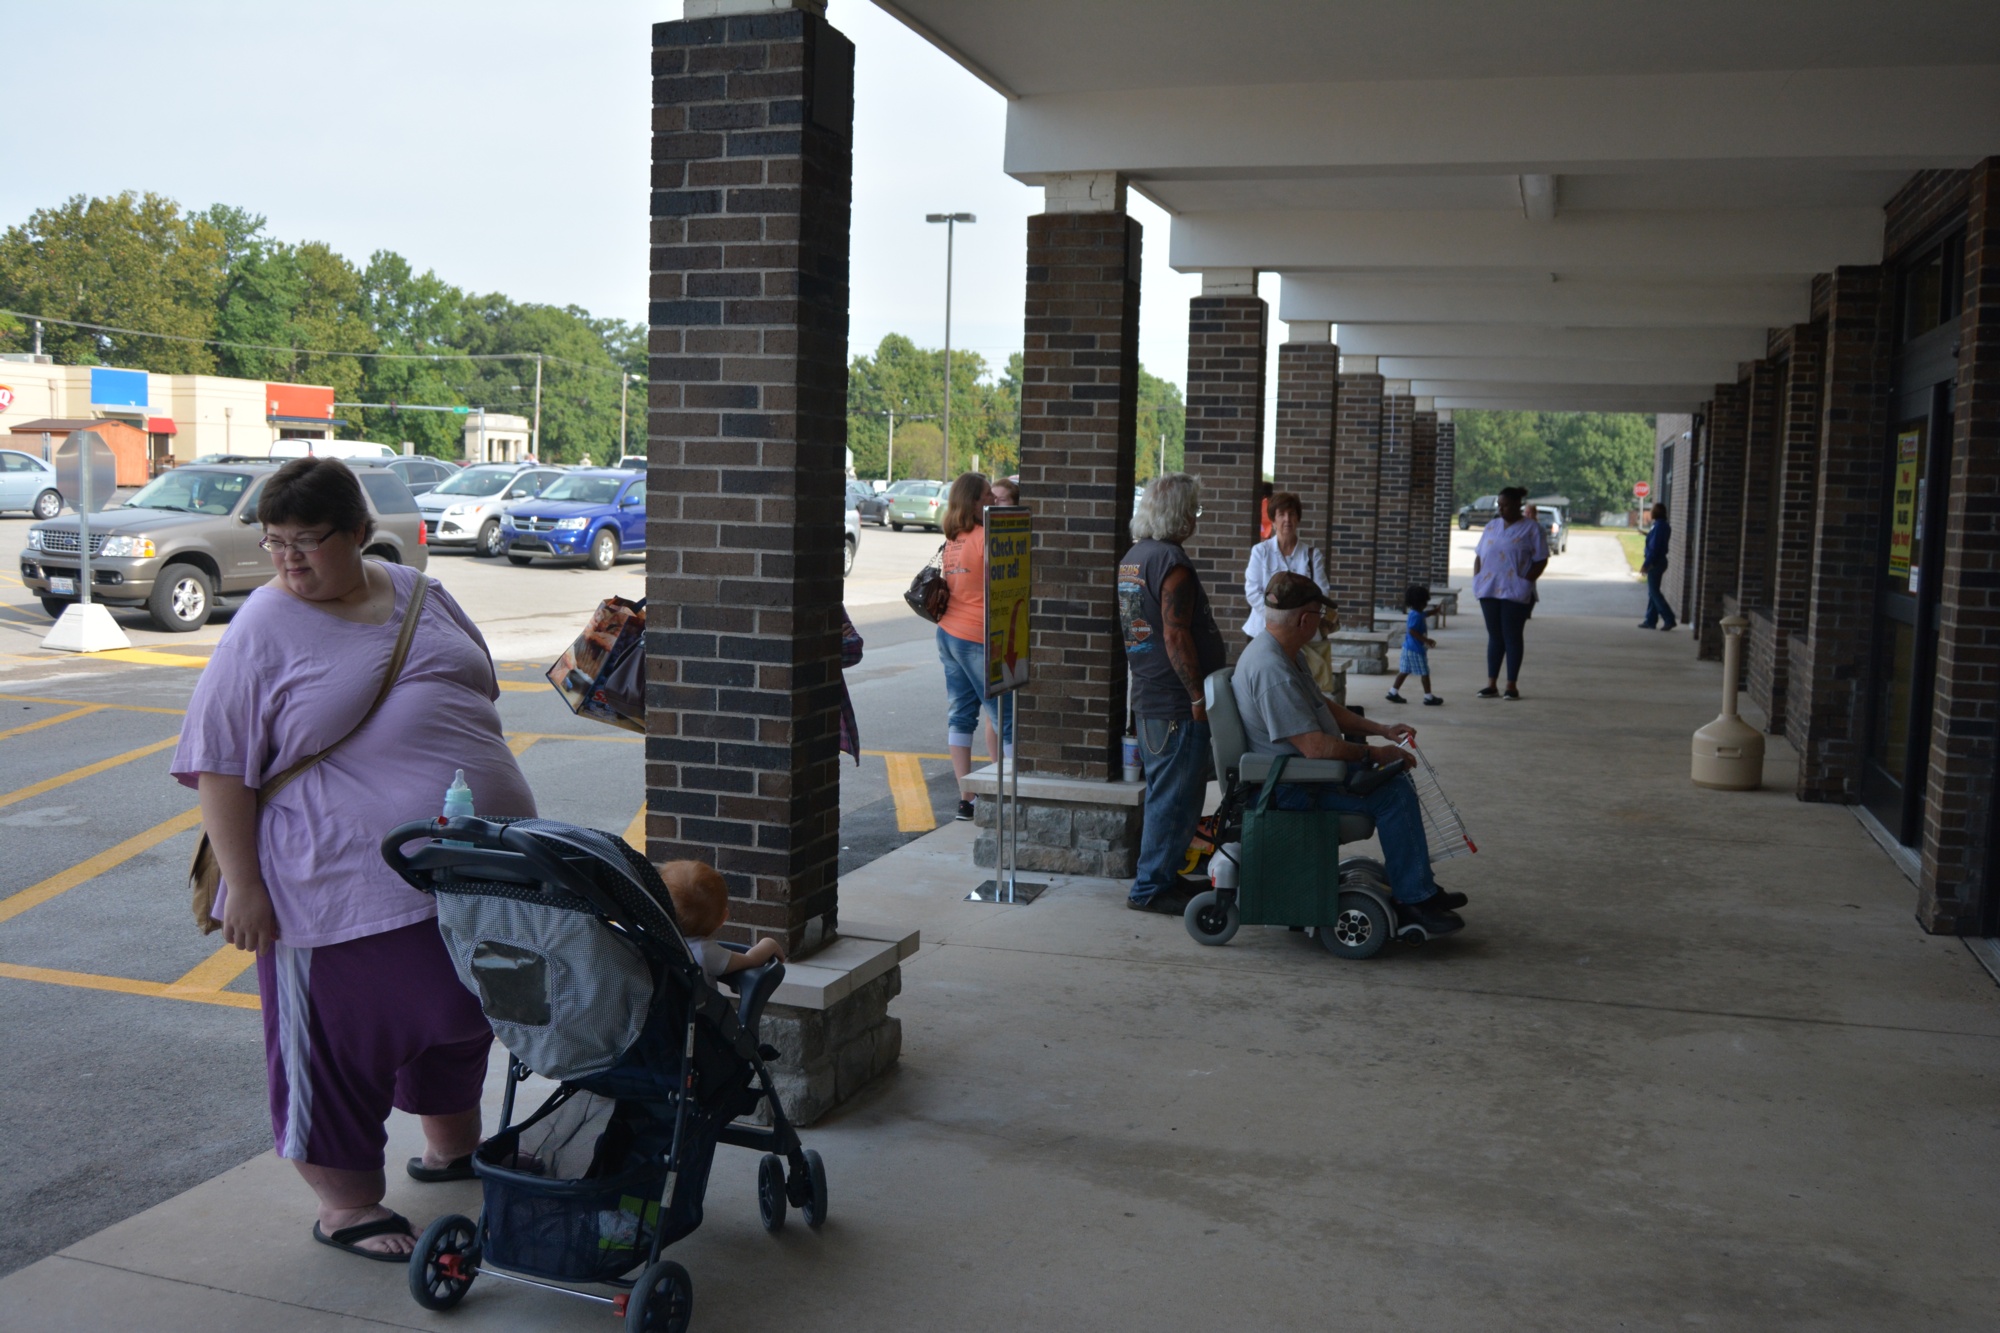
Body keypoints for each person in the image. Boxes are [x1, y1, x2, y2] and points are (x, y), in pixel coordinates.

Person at [173, 457, 536, 1261]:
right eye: (274, 542)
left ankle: (451, 1150)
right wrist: (244, 884)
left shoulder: (423, 594)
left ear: (363, 534)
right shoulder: (264, 625)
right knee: (339, 1041)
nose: (289, 560)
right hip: (336, 884)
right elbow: (221, 764)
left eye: (308, 540)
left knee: (460, 1015)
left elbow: (475, 691)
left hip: (476, 872)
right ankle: (345, 1204)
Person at [1234, 573, 1466, 934]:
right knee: (1393, 794)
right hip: (1293, 787)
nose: (1324, 623)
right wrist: (1373, 754)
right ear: (1304, 620)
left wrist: (1380, 730)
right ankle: (1413, 901)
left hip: (1306, 776)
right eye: (1319, 615)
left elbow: (1322, 707)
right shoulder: (1271, 669)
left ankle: (1420, 888)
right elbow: (1315, 747)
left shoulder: (1282, 653)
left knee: (1395, 782)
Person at [1119, 472, 1229, 913]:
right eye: (1194, 511)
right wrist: (1198, 698)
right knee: (1176, 797)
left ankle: (1164, 877)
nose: (1196, 520)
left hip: (1148, 696)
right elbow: (1175, 635)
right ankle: (1150, 888)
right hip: (1175, 703)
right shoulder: (1172, 563)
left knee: (1172, 792)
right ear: (1179, 514)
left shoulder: (1135, 557)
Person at [935, 472, 1010, 821]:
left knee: (961, 716)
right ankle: (1011, 796)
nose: (993, 501)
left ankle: (966, 800)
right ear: (973, 502)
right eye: (986, 497)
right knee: (1005, 718)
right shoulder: (986, 537)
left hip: (948, 632)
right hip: (977, 637)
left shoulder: (953, 538)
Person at [1472, 486, 1548, 700]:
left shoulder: (1532, 529)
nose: (1501, 509)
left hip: (1515, 591)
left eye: (1505, 505)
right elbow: (1479, 554)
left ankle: (1511, 685)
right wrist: (1477, 578)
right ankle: (1491, 684)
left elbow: (1541, 559)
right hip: (1488, 589)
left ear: (1517, 505)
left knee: (1512, 636)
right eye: (1499, 505)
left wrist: (1526, 581)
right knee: (1495, 636)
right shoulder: (1491, 526)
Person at [661, 860, 787, 985]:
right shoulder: (705, 951)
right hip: (696, 1005)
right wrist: (769, 944)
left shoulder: (648, 939)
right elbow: (751, 960)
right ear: (723, 919)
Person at [1241, 490, 1327, 639]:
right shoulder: (1260, 552)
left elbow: (1322, 594)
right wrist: (1279, 619)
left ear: (1298, 519)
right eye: (1281, 514)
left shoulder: (1312, 556)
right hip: (1263, 633)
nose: (1287, 519)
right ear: (1273, 521)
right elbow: (1252, 591)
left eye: (1292, 514)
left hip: (1301, 636)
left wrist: (1296, 620)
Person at [1385, 584, 1441, 706]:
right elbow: (1412, 631)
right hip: (1415, 650)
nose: (1426, 603)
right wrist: (1426, 640)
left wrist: (1435, 611)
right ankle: (1428, 697)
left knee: (1404, 671)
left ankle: (1393, 692)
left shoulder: (1416, 612)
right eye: (1425, 601)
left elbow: (1425, 614)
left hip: (1408, 648)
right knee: (1425, 673)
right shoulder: (1416, 615)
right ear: (1421, 603)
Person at [1639, 502, 1676, 630]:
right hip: (1659, 561)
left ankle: (1669, 618)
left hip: (1656, 563)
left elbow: (1654, 548)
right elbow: (1656, 540)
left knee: (1655, 593)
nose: (1651, 512)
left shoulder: (1659, 526)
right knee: (1652, 593)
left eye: (1653, 510)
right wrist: (1646, 534)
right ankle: (1650, 620)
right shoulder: (1661, 526)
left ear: (1656, 512)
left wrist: (1646, 564)